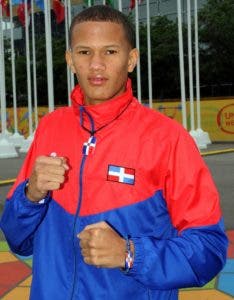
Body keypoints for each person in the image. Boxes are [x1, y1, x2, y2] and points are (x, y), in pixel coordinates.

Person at [0, 5, 228, 300]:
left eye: (110, 52)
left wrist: (129, 254)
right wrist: (32, 195)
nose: (96, 65)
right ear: (70, 60)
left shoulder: (168, 139)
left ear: (131, 59)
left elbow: (209, 248)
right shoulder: (50, 128)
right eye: (84, 52)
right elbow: (18, 241)